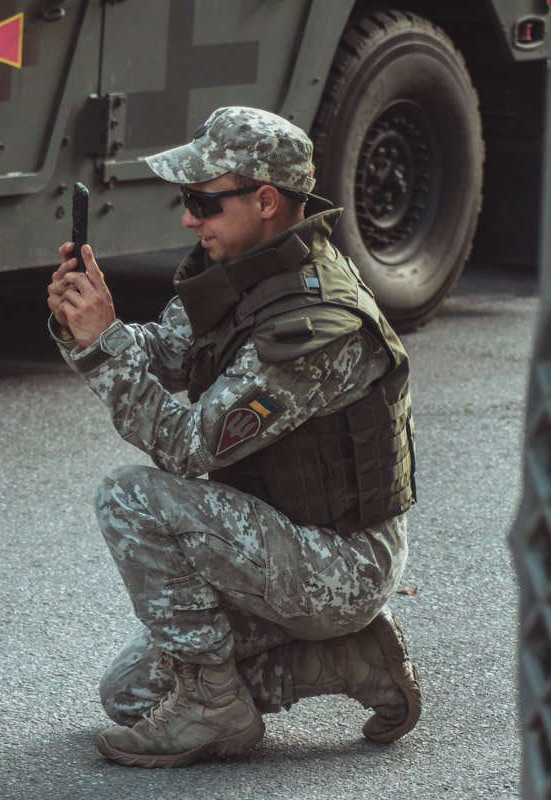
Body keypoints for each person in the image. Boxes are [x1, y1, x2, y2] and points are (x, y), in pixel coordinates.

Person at [46, 106, 421, 768]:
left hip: (338, 561)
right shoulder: (255, 270)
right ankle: (346, 661)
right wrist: (90, 328)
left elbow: (189, 446)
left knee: (130, 498)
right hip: (279, 535)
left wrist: (107, 346)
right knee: (128, 695)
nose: (188, 219)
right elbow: (166, 347)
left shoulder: (308, 328)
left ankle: (215, 703)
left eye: (203, 202)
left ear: (266, 200)